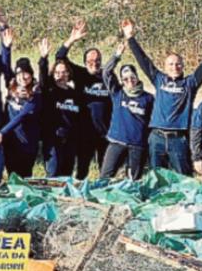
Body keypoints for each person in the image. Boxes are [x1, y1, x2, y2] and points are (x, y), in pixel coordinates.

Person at [123, 19, 202, 176]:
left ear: (183, 66)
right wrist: (130, 37)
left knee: (183, 179)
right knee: (156, 180)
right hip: (156, 138)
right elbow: (143, 61)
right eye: (171, 64)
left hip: (178, 139)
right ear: (165, 67)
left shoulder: (189, 83)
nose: (175, 67)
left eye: (178, 64)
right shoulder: (159, 79)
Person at [60, 19, 123, 177]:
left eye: (97, 61)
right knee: (82, 171)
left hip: (105, 132)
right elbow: (60, 57)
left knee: (106, 172)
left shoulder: (107, 76)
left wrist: (116, 57)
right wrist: (72, 39)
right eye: (90, 61)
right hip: (84, 132)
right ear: (85, 62)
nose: (94, 64)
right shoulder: (80, 74)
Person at [37, 38, 82, 178]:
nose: (60, 76)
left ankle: (63, 199)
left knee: (66, 174)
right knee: (53, 172)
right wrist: (43, 58)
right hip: (53, 139)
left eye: (63, 72)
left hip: (70, 139)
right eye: (57, 72)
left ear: (68, 74)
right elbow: (43, 77)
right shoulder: (49, 90)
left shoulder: (74, 93)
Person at [101, 64, 153, 180]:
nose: (130, 81)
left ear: (137, 77)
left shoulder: (148, 98)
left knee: (134, 180)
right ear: (122, 81)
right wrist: (117, 55)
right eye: (125, 79)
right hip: (117, 142)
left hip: (137, 145)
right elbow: (106, 72)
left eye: (132, 77)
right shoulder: (117, 93)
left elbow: (152, 121)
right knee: (105, 176)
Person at [0, 75, 41, 179]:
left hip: (27, 146)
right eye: (20, 74)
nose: (23, 77)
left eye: (26, 73)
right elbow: (6, 67)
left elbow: (20, 116)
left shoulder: (35, 97)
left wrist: (2, 132)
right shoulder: (11, 93)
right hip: (10, 146)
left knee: (25, 179)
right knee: (12, 178)